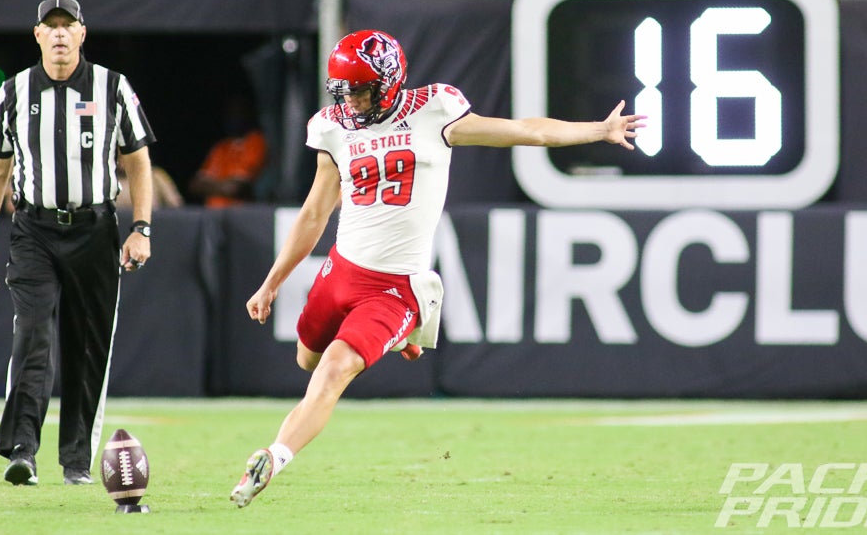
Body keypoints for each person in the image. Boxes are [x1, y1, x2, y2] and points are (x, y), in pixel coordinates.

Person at [230, 30, 645, 508]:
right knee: (307, 358)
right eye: (344, 92)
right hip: (341, 271)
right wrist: (272, 283)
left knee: (332, 369)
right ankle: (405, 333)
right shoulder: (332, 126)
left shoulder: (436, 111)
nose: (352, 103)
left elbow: (526, 131)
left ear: (388, 84)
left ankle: (272, 457)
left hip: (395, 285)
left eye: (361, 91)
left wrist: (596, 130)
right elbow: (314, 213)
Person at [0, 0, 157, 486]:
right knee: (31, 334)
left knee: (87, 345)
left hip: (96, 230)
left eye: (66, 25)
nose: (57, 33)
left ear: (81, 33)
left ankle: (76, 462)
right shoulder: (12, 92)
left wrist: (142, 227)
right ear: (37, 35)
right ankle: (22, 451)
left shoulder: (112, 87)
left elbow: (137, 159)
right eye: (49, 26)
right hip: (34, 229)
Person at [186, 94, 267, 207]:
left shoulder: (255, 141)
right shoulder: (221, 147)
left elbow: (236, 188)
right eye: (230, 114)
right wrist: (223, 185)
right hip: (212, 213)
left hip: (240, 213)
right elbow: (195, 185)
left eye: (238, 113)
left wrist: (211, 185)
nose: (233, 118)